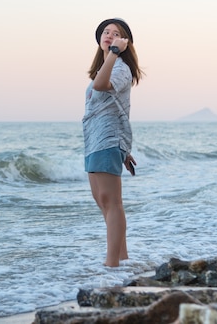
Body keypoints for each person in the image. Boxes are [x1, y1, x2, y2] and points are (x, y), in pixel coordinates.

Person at [82, 18, 143, 267]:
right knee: (103, 202)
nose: (109, 35)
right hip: (95, 142)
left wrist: (115, 52)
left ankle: (112, 264)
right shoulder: (106, 67)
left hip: (107, 140)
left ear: (125, 42)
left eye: (115, 33)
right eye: (105, 32)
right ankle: (122, 259)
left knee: (111, 202)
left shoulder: (119, 68)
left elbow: (100, 85)